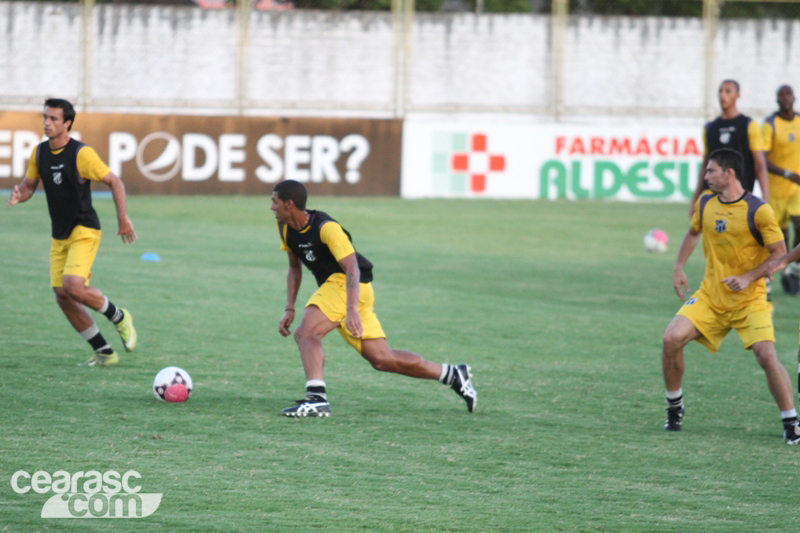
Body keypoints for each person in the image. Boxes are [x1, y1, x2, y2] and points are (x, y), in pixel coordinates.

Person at [271, 179, 476, 417]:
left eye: (274, 202)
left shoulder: (327, 228)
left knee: (306, 333)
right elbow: (294, 268)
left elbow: (352, 269)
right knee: (382, 359)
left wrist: (351, 310)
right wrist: (289, 307)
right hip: (348, 292)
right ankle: (452, 374)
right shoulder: (284, 228)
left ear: (289, 204)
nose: (271, 207)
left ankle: (316, 400)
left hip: (347, 285)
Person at [662, 148, 800, 444]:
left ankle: (791, 421)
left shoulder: (758, 210)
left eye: (711, 171)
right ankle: (675, 406)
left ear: (730, 173)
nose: (706, 176)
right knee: (671, 339)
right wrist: (678, 267)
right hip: (711, 297)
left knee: (766, 355)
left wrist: (748, 277)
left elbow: (779, 254)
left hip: (750, 300)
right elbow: (693, 232)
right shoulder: (705, 203)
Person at [7, 98, 138, 366]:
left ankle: (120, 317)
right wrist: (21, 194)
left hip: (84, 229)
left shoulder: (82, 154)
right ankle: (103, 351)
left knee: (73, 287)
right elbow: (30, 184)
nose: (47, 122)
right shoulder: (40, 153)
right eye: (45, 117)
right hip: (60, 234)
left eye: (54, 119)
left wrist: (122, 218)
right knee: (62, 295)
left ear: (67, 123)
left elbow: (114, 181)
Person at [689, 80, 769, 218]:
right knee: (711, 238)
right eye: (720, 91)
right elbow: (705, 164)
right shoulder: (710, 128)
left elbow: (759, 164)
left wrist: (765, 195)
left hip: (739, 196)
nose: (722, 95)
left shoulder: (749, 125)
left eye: (728, 91)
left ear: (737, 95)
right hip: (712, 196)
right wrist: (695, 197)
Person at [763, 85, 800, 294]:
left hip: (797, 190)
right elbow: (762, 159)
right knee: (780, 237)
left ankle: (795, 268)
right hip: (776, 191)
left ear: (794, 97)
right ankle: (781, 274)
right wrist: (787, 174)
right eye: (781, 94)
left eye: (788, 93)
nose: (785, 97)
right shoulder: (770, 125)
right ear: (777, 99)